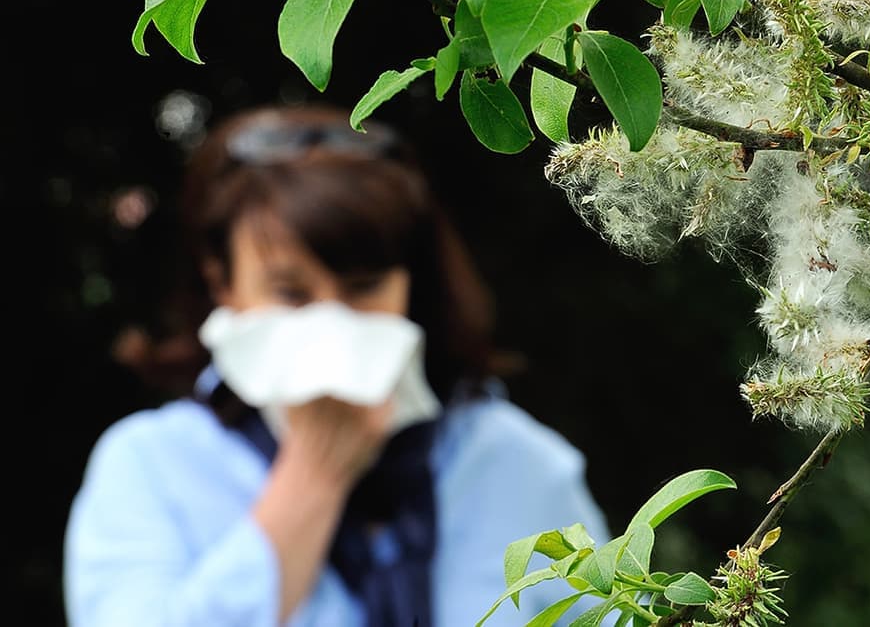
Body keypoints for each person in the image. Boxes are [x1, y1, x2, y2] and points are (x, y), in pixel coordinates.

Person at [64, 105, 609, 626]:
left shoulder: (521, 468)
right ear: (222, 283)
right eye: (291, 293)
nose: (331, 322)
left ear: (409, 285)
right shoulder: (149, 469)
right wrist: (314, 477)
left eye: (363, 287)